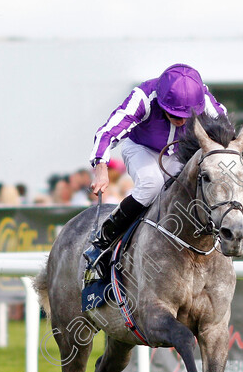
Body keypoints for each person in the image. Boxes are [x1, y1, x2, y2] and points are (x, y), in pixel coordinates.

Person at [84, 63, 226, 273]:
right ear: (161, 102)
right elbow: (107, 132)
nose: (181, 121)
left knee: (191, 188)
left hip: (179, 151)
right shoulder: (143, 96)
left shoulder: (203, 99)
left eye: (186, 116)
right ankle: (104, 240)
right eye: (175, 115)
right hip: (141, 148)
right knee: (152, 184)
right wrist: (101, 167)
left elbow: (226, 130)